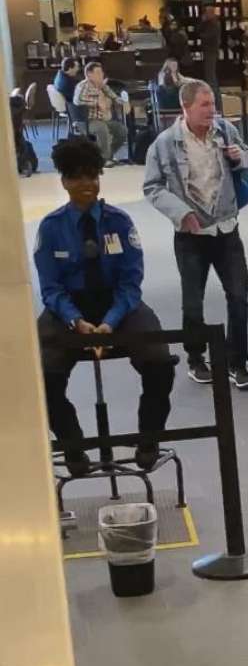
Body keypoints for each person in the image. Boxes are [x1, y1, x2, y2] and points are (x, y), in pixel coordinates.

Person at [33, 137, 175, 476]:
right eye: (79, 177)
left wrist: (110, 322)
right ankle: (73, 445)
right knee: (42, 378)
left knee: (159, 364)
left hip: (119, 305)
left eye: (93, 176)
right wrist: (75, 321)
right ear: (65, 181)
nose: (88, 185)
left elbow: (131, 283)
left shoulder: (119, 223)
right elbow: (51, 288)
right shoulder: (51, 229)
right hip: (68, 308)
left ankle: (148, 440)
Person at [143, 79, 248, 390]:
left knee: (239, 297)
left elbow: (247, 158)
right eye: (204, 105)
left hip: (227, 229)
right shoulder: (164, 144)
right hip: (191, 236)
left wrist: (239, 157)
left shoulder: (225, 131)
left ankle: (237, 362)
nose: (212, 111)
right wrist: (181, 213)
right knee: (193, 301)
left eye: (213, 104)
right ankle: (195, 358)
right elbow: (152, 187)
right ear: (186, 107)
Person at [73, 61, 128, 165]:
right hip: (86, 121)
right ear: (89, 74)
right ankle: (104, 159)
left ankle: (106, 155)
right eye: (98, 73)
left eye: (101, 72)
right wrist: (97, 103)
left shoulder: (101, 85)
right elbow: (78, 100)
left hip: (100, 119)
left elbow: (111, 94)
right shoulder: (83, 86)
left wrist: (118, 99)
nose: (101, 75)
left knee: (121, 130)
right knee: (102, 128)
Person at [198, 5, 222, 112]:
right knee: (210, 77)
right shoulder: (210, 23)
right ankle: (214, 102)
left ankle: (216, 104)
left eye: (207, 13)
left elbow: (205, 36)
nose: (205, 14)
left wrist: (202, 29)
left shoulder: (214, 24)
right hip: (209, 52)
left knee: (211, 78)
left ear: (211, 13)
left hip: (211, 52)